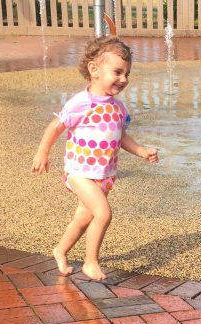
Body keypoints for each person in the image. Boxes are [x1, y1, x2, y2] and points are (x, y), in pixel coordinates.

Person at [31, 36, 158, 281]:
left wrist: (141, 151)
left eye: (127, 74)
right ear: (94, 69)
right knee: (103, 213)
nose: (123, 79)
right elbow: (55, 127)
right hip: (80, 173)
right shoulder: (81, 103)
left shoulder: (118, 108)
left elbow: (121, 137)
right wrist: (42, 152)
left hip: (105, 175)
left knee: (83, 217)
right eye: (118, 72)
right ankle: (91, 262)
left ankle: (60, 250)